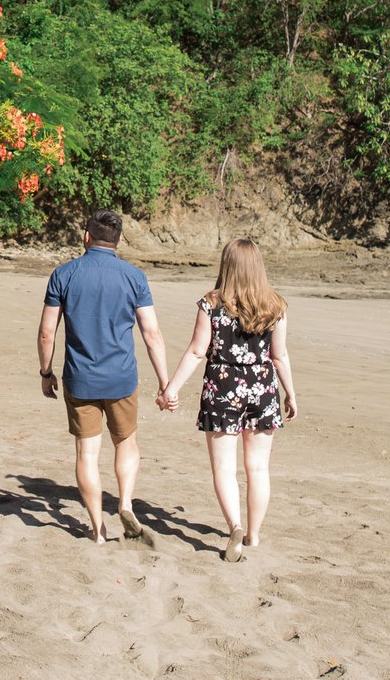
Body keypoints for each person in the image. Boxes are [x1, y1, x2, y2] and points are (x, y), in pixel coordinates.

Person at [157, 237, 298, 562]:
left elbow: (196, 351)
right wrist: (290, 392)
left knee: (224, 467)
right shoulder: (275, 306)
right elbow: (279, 356)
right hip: (262, 388)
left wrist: (172, 389)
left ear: (226, 265)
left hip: (222, 388)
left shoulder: (211, 304)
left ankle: (234, 524)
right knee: (258, 468)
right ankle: (253, 535)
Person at [38, 210, 168, 545]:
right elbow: (151, 333)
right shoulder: (133, 277)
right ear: (119, 240)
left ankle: (97, 528)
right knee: (125, 442)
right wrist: (165, 381)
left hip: (80, 379)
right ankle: (124, 502)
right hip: (121, 378)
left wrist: (46, 372)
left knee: (87, 453)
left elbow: (46, 333)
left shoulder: (63, 274)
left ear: (86, 237)